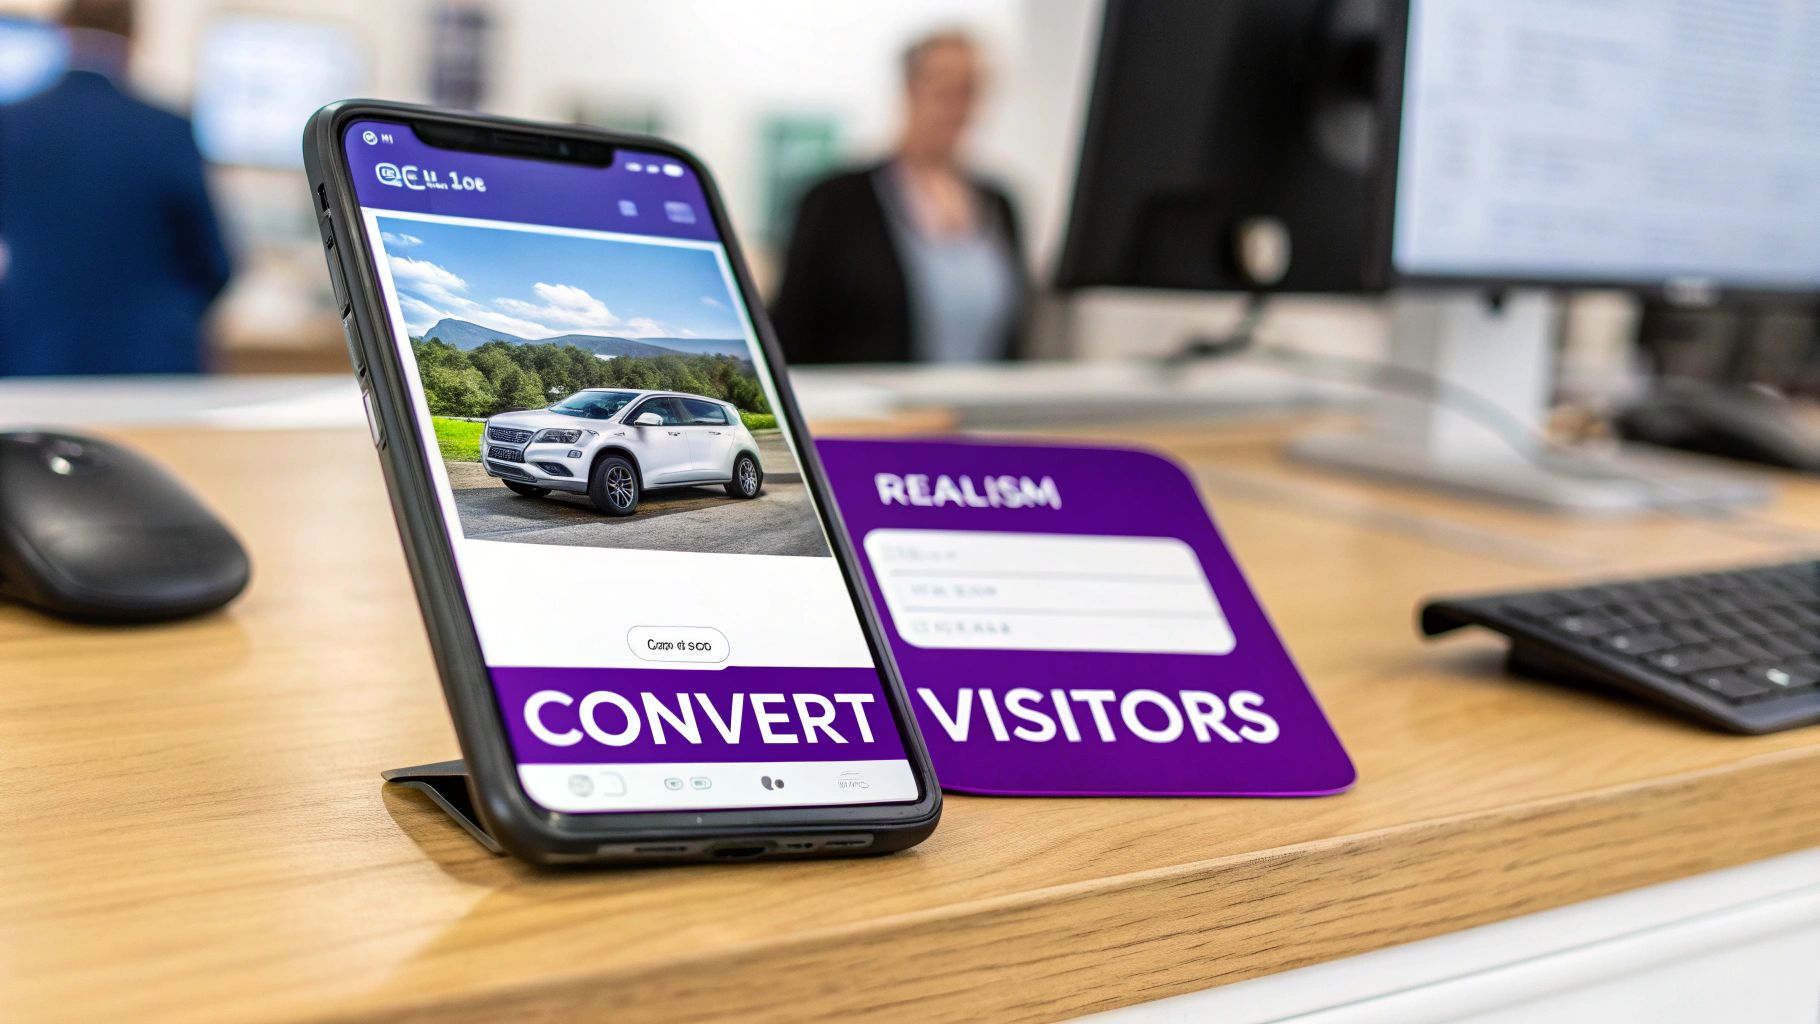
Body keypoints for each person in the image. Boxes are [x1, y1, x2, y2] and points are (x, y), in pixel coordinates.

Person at [0, 0, 231, 376]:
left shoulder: (10, 124)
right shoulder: (167, 128)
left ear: (62, 32)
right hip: (151, 365)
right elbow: (215, 263)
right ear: (133, 39)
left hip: (30, 361)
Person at [770, 30, 1026, 365]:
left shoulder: (1000, 203)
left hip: (980, 409)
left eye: (971, 90)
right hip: (868, 412)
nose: (958, 105)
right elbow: (792, 331)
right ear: (910, 88)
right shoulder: (836, 202)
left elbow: (1015, 340)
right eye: (945, 86)